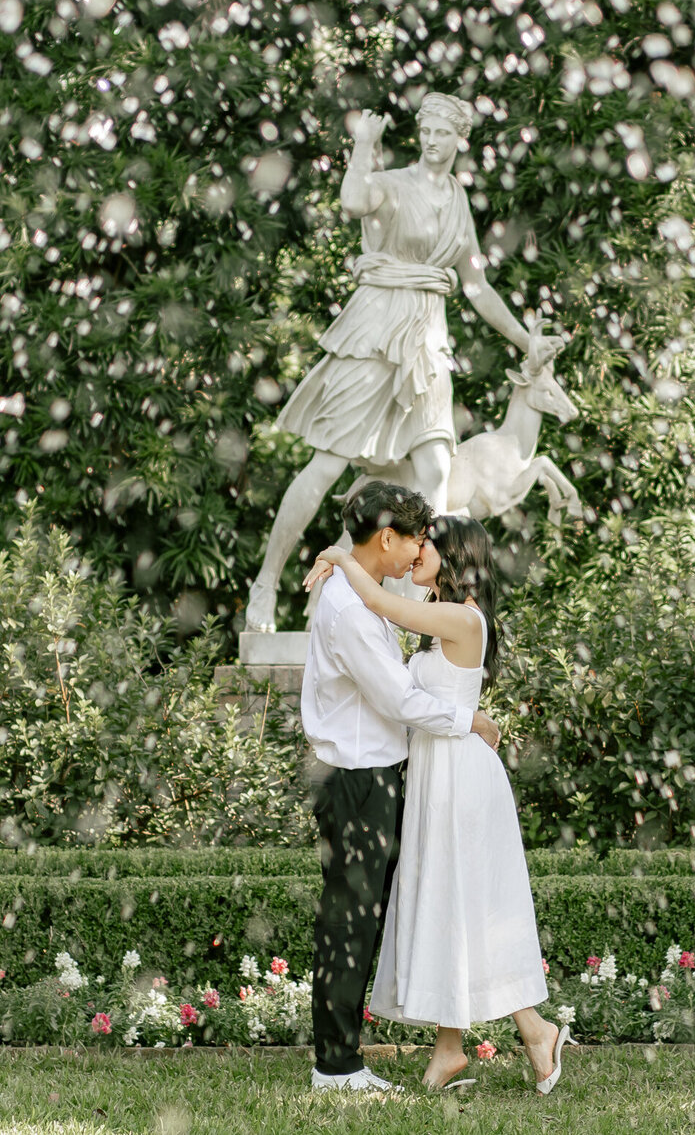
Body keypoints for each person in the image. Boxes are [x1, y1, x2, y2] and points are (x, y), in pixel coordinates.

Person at [245, 91, 564, 632]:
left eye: (444, 132)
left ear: (459, 139)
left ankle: (400, 607)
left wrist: (522, 340)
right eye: (428, 131)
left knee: (436, 472)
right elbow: (352, 201)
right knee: (326, 467)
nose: (434, 141)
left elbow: (478, 286)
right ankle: (266, 584)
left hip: (427, 342)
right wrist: (363, 146)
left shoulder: (458, 201)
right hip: (375, 331)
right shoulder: (393, 183)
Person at [304, 516, 575, 1095]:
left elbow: (382, 601)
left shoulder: (461, 615)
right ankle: (455, 1048)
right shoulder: (442, 616)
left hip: (458, 776)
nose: (417, 550)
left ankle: (532, 1032)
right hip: (434, 771)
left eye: (427, 542)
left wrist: (341, 557)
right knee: (449, 901)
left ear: (455, 555)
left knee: (463, 901)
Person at [302, 480, 502, 1094]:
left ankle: (344, 1058)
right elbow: (399, 697)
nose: (418, 551)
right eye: (415, 538)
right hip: (359, 780)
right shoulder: (348, 608)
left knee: (362, 916)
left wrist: (338, 554)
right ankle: (336, 1067)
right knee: (350, 920)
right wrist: (469, 719)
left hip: (375, 776)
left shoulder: (367, 595)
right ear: (387, 536)